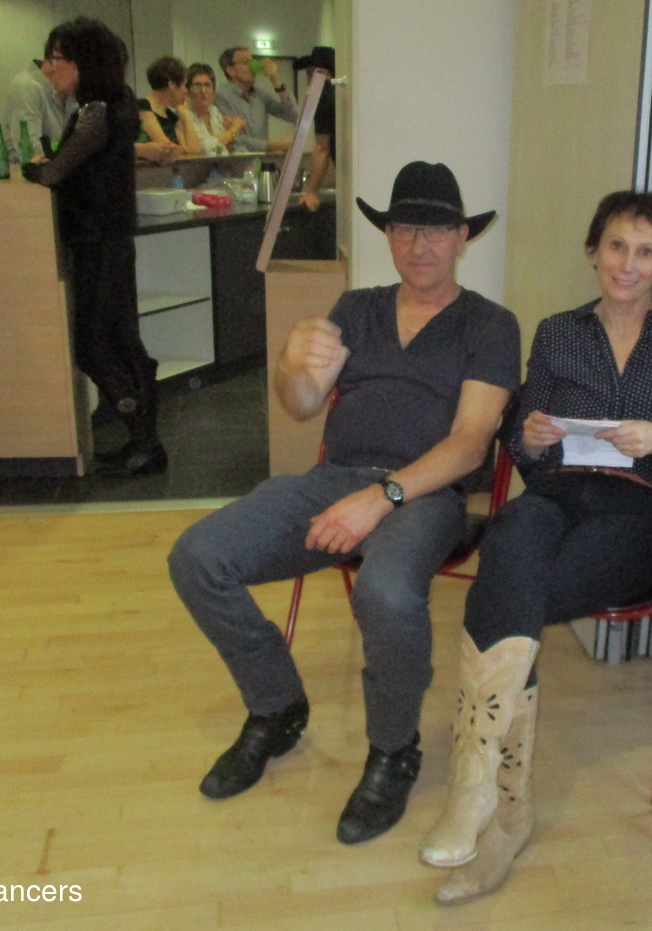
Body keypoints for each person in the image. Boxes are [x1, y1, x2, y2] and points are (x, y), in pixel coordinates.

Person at [167, 161, 520, 846]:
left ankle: (393, 749)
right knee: (197, 557)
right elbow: (301, 406)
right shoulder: (356, 309)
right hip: (335, 480)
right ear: (387, 235)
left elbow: (471, 443)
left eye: (436, 231)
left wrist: (382, 497)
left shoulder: (490, 324)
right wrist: (289, 365)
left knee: (385, 593)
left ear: (462, 239)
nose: (419, 244)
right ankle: (277, 707)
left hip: (426, 496)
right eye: (405, 228)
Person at [418, 190, 652, 903]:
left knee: (507, 592)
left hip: (641, 508)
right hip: (558, 491)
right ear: (593, 252)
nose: (628, 264)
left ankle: (491, 801)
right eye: (616, 246)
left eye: (645, 252)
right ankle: (489, 797)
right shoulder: (558, 333)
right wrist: (530, 435)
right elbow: (524, 441)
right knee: (513, 531)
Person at [22, 18, 166, 477]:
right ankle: (144, 442)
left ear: (82, 63)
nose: (49, 68)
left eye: (56, 58)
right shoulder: (116, 104)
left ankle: (144, 440)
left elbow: (53, 173)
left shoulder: (96, 111)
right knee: (121, 341)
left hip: (97, 242)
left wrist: (31, 168)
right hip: (110, 240)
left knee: (94, 346)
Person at [215, 46, 297, 153]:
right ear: (231, 71)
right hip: (237, 159)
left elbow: (292, 115)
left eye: (252, 61)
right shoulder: (221, 96)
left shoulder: (260, 94)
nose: (252, 65)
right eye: (245, 62)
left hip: (262, 159)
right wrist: (274, 145)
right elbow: (233, 137)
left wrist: (277, 83)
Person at [3, 57, 78, 159]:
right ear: (55, 59)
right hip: (23, 168)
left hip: (60, 166)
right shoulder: (27, 87)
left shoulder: (68, 90)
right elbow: (30, 150)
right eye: (75, 67)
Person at [294, 46, 335, 212]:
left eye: (310, 74)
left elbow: (321, 148)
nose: (308, 81)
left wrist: (311, 192)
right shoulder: (341, 93)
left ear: (322, 73)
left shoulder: (323, 94)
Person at [181, 63, 245, 156]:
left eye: (207, 85)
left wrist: (230, 137)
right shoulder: (184, 115)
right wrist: (232, 130)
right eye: (197, 85)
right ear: (188, 91)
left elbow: (222, 146)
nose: (203, 91)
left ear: (214, 90)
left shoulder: (214, 111)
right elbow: (202, 147)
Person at [137, 55, 194, 155]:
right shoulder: (143, 106)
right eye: (184, 85)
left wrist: (186, 116)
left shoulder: (171, 115)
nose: (186, 91)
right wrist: (180, 149)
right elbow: (166, 147)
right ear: (172, 85)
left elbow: (193, 149)